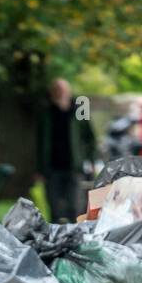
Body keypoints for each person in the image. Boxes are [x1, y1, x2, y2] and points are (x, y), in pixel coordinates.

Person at [35, 78, 97, 223]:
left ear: (68, 91)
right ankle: (57, 240)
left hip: (75, 167)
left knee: (76, 206)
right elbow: (40, 142)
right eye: (56, 90)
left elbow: (90, 138)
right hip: (52, 168)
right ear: (51, 93)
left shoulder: (80, 109)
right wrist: (39, 168)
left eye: (62, 90)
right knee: (55, 208)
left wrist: (91, 160)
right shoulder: (46, 112)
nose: (59, 93)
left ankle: (77, 237)